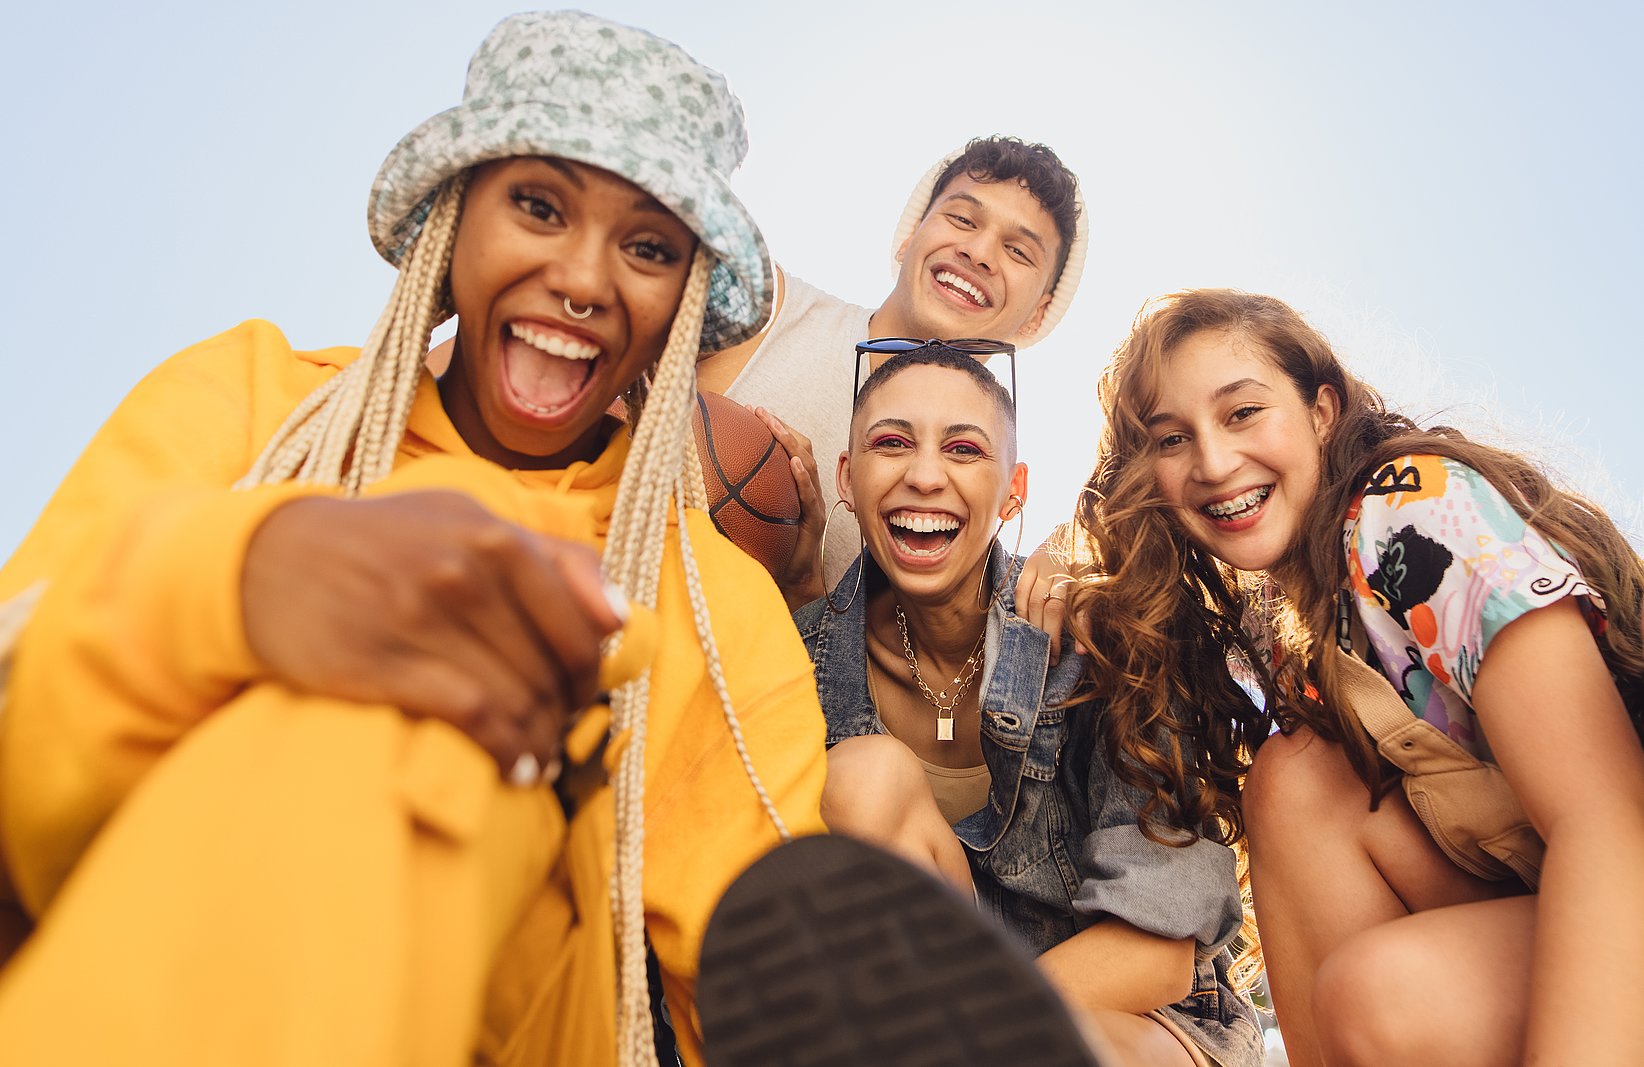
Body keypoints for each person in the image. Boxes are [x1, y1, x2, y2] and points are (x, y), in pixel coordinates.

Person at [0, 12, 827, 1066]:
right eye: (538, 206)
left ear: (681, 306)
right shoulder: (246, 403)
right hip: (105, 954)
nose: (583, 277)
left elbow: (767, 974)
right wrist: (241, 584)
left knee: (440, 715)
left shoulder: (715, 609)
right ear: (452, 217)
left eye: (649, 247)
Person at [1077, 288, 1644, 1065]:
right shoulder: (1285, 623)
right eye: (1171, 439)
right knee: (1292, 780)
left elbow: (1610, 817)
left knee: (1382, 994)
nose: (1212, 461)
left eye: (1242, 413)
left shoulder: (1408, 512)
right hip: (1552, 887)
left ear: (1321, 411)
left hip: (1623, 853)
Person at [790, 344, 1264, 1067]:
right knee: (860, 777)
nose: (924, 474)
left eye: (963, 448)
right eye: (892, 443)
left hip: (1137, 1015)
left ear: (1013, 491)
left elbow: (1158, 952)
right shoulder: (800, 657)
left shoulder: (1106, 635)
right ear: (848, 480)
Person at [699, 137, 1089, 604]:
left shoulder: (976, 507)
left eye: (1019, 251)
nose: (980, 251)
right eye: (962, 219)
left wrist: (1072, 550)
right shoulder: (761, 304)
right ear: (908, 239)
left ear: (1038, 315)